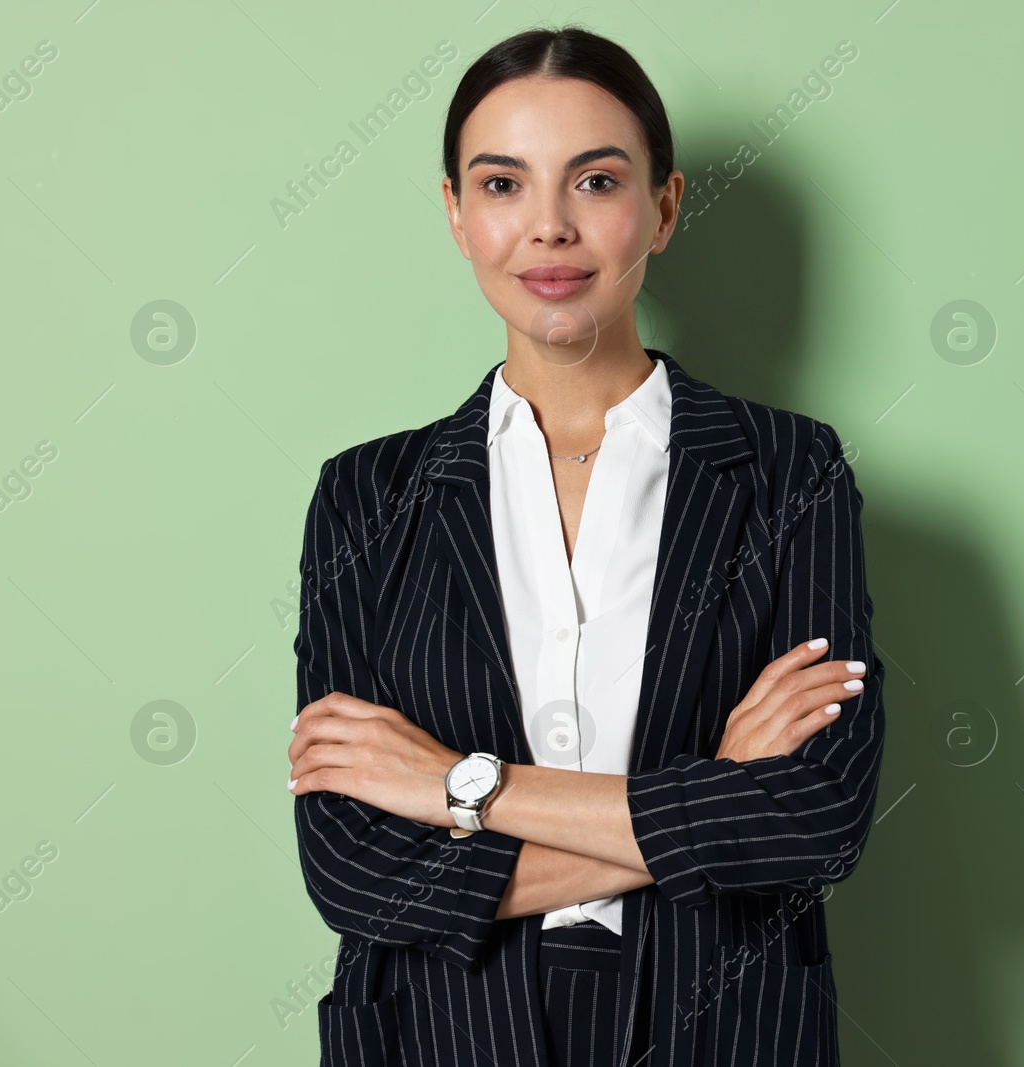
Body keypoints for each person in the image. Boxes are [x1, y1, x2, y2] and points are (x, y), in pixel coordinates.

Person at [286, 24, 884, 1067]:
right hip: (437, 1032)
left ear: (662, 206)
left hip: (726, 1027)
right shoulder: (365, 495)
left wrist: (460, 787)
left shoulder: (792, 470)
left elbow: (815, 818)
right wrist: (711, 786)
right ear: (457, 214)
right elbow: (353, 872)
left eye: (596, 182)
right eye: (504, 184)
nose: (549, 229)